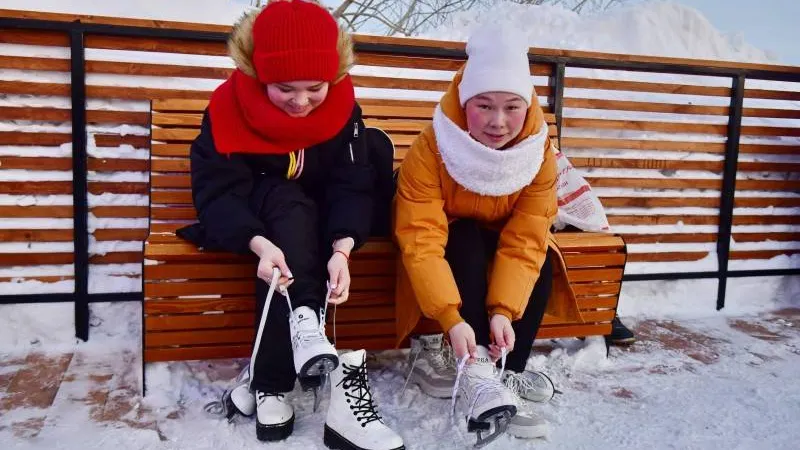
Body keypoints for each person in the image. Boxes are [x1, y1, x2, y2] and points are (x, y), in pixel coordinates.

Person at [177, 2, 402, 449]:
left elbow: (351, 184)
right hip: (255, 216)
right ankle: (300, 330)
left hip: (319, 221)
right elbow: (217, 193)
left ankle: (269, 381)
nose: (301, 101)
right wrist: (257, 244)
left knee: (305, 214)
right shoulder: (226, 110)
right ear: (260, 78)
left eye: (314, 88)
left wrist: (343, 249)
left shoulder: (343, 111)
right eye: (284, 89)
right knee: (286, 202)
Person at [393, 25, 584, 444]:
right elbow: (422, 237)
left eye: (512, 107)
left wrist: (504, 311)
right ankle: (478, 373)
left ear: (528, 104)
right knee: (465, 240)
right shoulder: (431, 147)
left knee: (544, 257)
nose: (498, 122)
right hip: (445, 244)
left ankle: (507, 372)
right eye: (484, 106)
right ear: (465, 102)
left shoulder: (538, 152)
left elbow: (527, 237)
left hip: (501, 242)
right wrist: (449, 317)